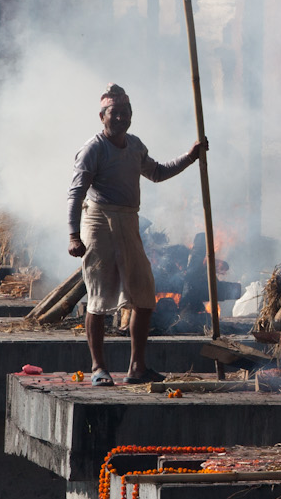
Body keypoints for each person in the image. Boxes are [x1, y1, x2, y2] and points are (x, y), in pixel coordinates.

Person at [66, 84, 206, 385]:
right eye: (115, 113)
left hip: (129, 221)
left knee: (144, 295)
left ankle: (137, 368)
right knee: (99, 296)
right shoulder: (93, 150)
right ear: (102, 116)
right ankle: (98, 368)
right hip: (99, 221)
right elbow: (75, 195)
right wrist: (73, 236)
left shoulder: (134, 145)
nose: (121, 118)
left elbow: (156, 172)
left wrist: (191, 156)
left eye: (125, 113)